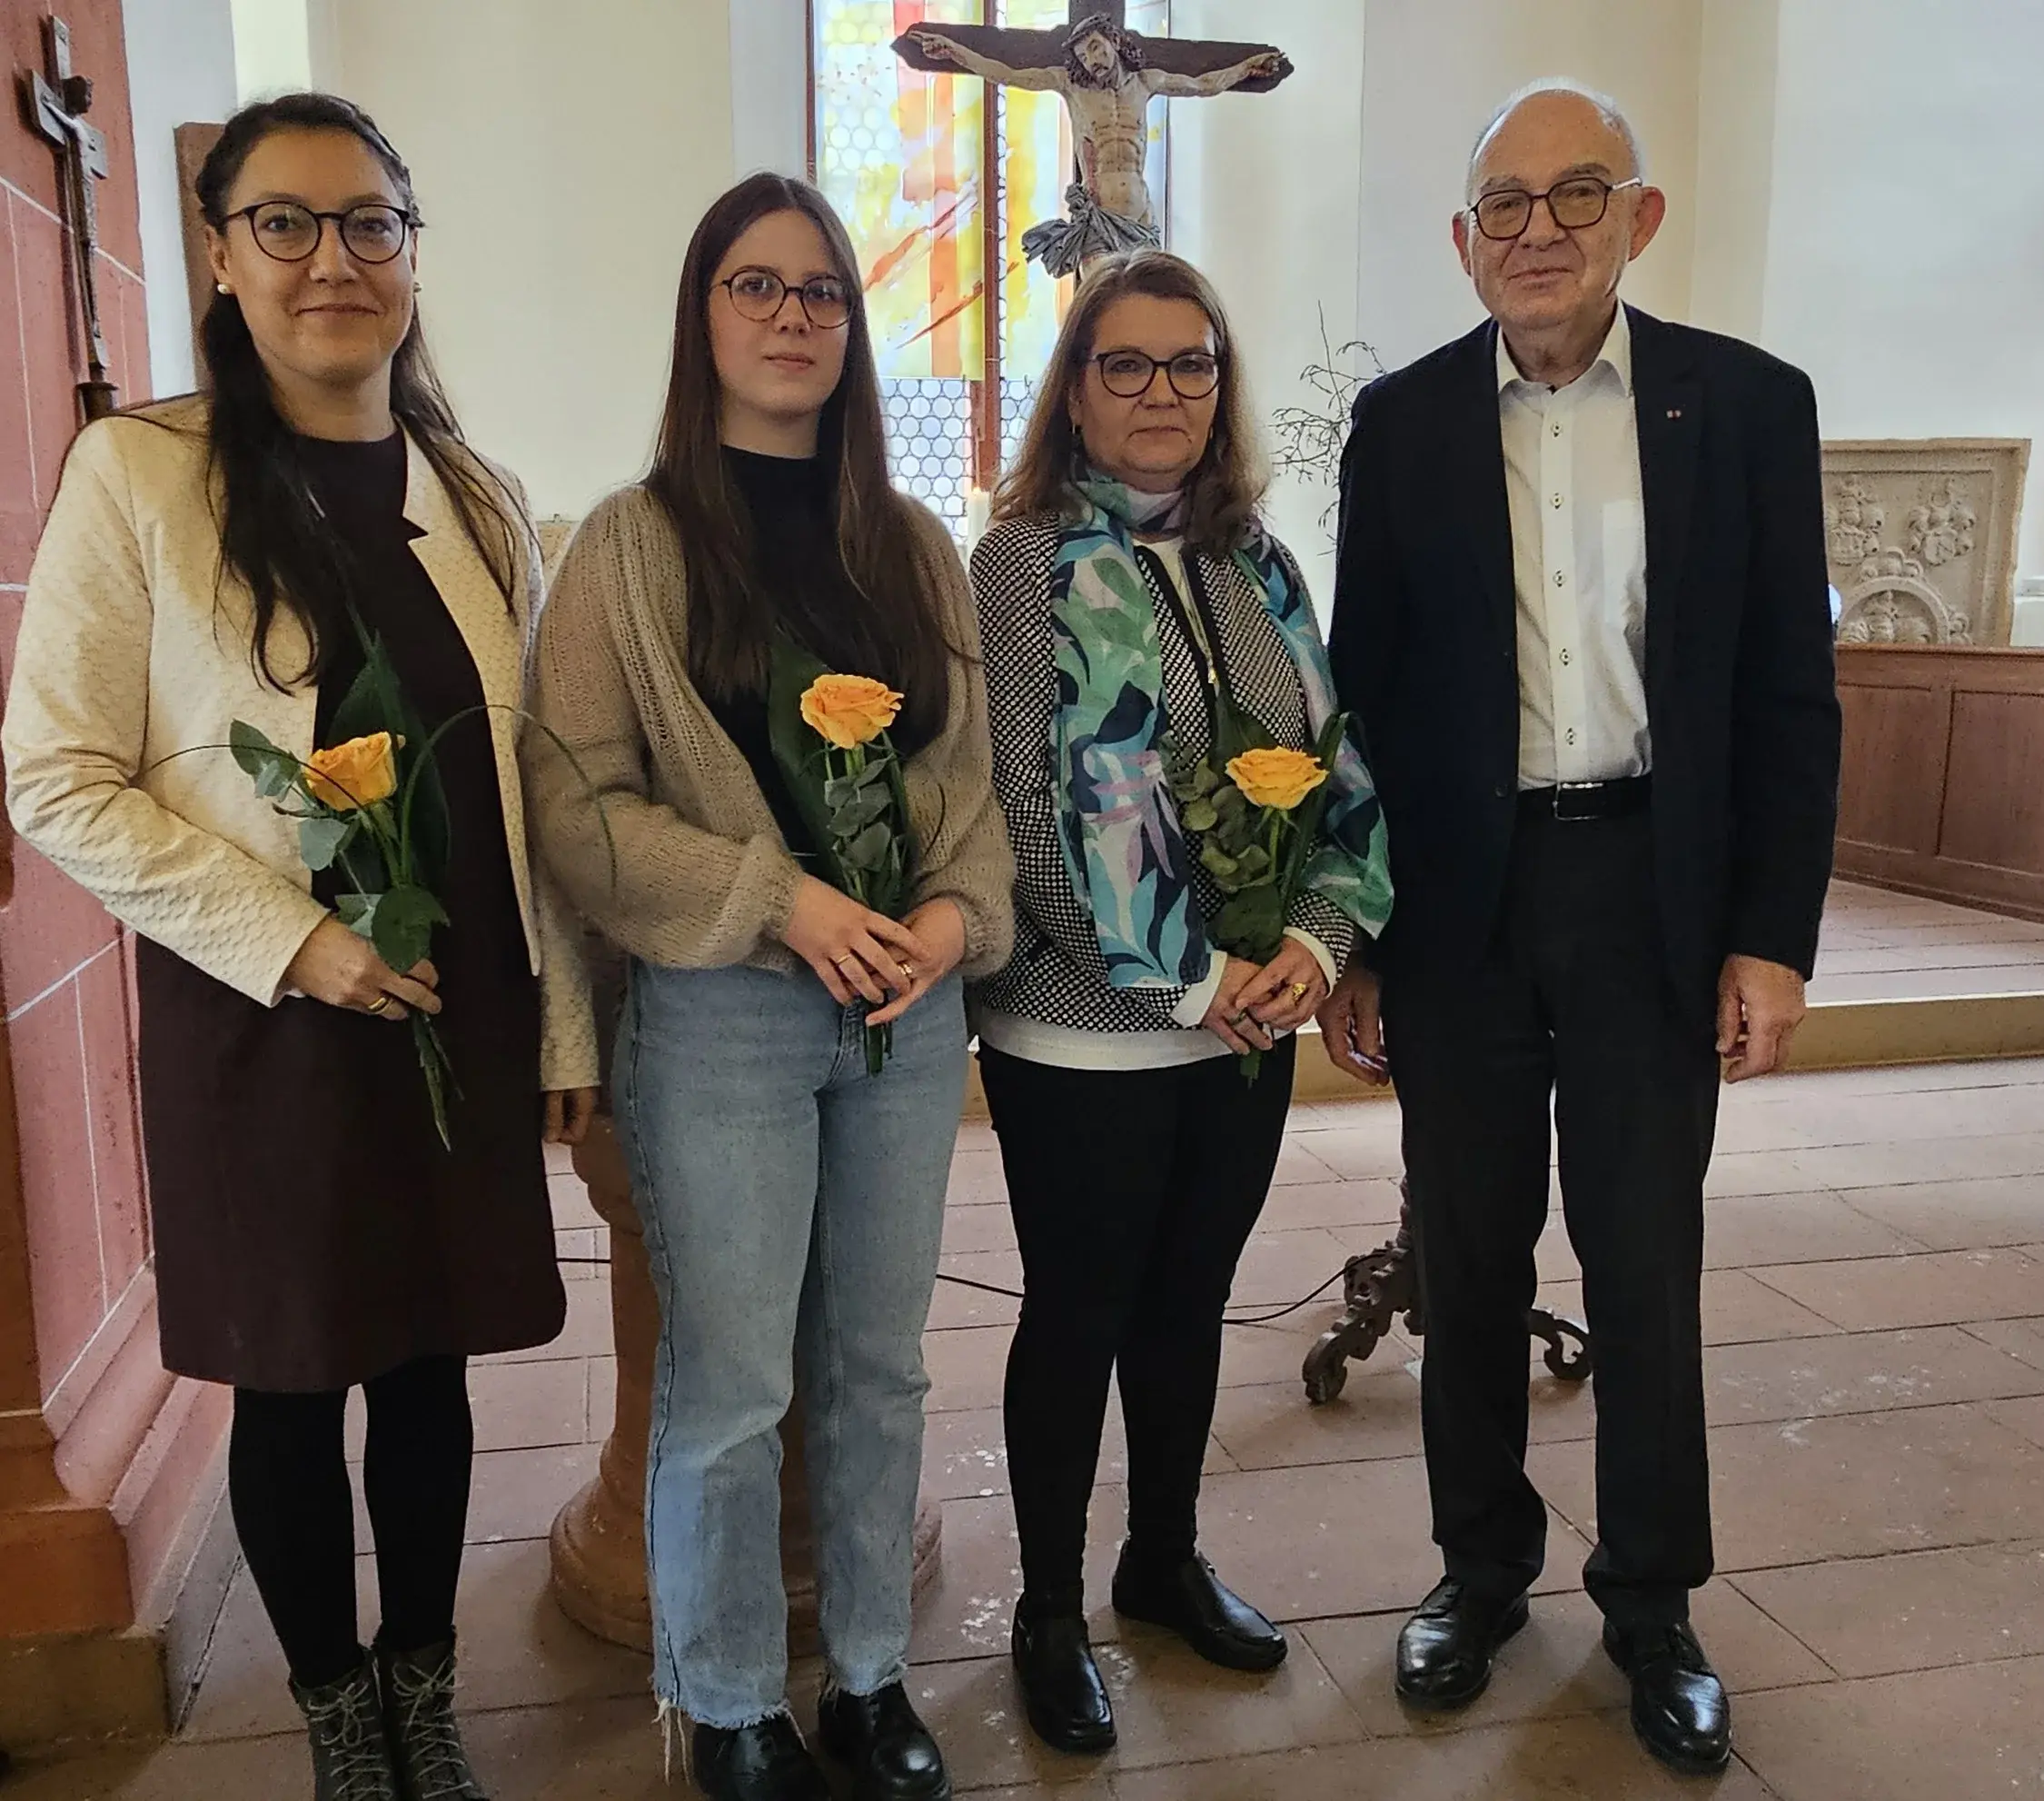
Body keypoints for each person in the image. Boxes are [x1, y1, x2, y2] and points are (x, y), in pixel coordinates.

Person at [3, 94, 598, 1801]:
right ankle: (337, 1716)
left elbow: (527, 790)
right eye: (288, 222)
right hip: (263, 1019)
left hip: (455, 1008)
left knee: (429, 1365)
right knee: (287, 1379)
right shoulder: (142, 474)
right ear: (219, 252)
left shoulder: (478, 496)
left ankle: (425, 1695)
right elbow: (56, 775)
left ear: (413, 255)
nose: (333, 259)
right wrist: (293, 942)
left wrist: (558, 1030)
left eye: (370, 225)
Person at [1320, 80, 1841, 1776]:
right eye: (1505, 205)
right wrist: (1363, 936)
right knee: (1467, 1252)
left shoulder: (1746, 407)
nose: (1536, 231)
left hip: (1648, 893)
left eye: (1574, 195)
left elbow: (1786, 691)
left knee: (1644, 1256)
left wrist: (1770, 935)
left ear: (1638, 217)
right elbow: (1368, 701)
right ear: (1461, 242)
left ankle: (1651, 1600)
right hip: (1462, 904)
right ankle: (1478, 1571)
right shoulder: (1397, 430)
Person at [522, 173, 1014, 1801]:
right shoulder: (630, 544)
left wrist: (952, 915)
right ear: (704, 317)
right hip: (724, 1011)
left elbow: (968, 782)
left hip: (901, 1008)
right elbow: (576, 803)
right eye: (757, 285)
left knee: (879, 1363)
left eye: (821, 291)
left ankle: (869, 1673)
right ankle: (727, 1699)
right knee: (729, 1382)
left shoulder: (913, 546)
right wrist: (772, 898)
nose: (793, 316)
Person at [968, 248, 1392, 1756]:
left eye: (1190, 365)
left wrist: (1324, 942)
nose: (1162, 393)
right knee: (1077, 1310)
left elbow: (1335, 762)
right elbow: (1026, 801)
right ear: (1073, 389)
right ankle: (1042, 1605)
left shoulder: (1255, 561)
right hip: (1079, 1026)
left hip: (1249, 1021)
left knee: (1187, 1298)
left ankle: (1160, 1555)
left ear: (1220, 388)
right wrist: (1186, 974)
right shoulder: (1020, 561)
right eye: (1127, 364)